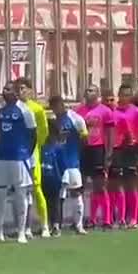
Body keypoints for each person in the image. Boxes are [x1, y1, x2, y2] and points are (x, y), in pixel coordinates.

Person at [0, 82, 36, 244]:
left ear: (16, 92)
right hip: (2, 157)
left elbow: (33, 135)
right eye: (3, 89)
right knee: (1, 194)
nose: (4, 91)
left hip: (19, 159)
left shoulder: (25, 111)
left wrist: (26, 154)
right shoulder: (0, 111)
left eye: (8, 89)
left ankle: (22, 232)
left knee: (20, 194)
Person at [76, 85, 115, 228]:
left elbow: (110, 133)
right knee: (82, 185)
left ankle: (107, 219)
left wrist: (109, 152)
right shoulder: (79, 111)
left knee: (100, 186)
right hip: (83, 150)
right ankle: (86, 218)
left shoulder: (105, 111)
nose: (88, 92)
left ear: (97, 93)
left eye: (91, 90)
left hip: (98, 150)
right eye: (87, 90)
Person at [50, 95, 88, 234]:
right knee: (59, 195)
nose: (55, 110)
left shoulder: (75, 119)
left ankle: (78, 225)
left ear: (62, 105)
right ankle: (56, 226)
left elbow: (84, 138)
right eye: (53, 108)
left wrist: (77, 153)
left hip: (72, 163)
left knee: (76, 193)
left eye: (56, 106)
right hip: (58, 164)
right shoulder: (53, 121)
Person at [18, 79, 51, 238]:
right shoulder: (14, 108)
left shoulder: (37, 109)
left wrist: (37, 147)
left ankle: (45, 225)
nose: (21, 91)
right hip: (17, 154)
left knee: (36, 188)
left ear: (30, 91)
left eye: (23, 88)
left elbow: (43, 132)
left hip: (32, 152)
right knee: (21, 190)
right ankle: (25, 227)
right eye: (19, 89)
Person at [109, 83, 138, 227]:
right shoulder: (113, 112)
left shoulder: (136, 112)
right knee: (118, 186)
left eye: (127, 95)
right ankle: (121, 217)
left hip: (132, 150)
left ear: (130, 97)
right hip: (117, 150)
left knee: (131, 185)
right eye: (122, 95)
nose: (124, 98)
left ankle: (134, 218)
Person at [39, 119, 66, 236]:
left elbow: (62, 164)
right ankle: (49, 224)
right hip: (44, 178)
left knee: (56, 202)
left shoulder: (58, 148)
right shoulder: (42, 147)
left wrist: (61, 176)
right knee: (46, 202)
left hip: (55, 179)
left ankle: (56, 225)